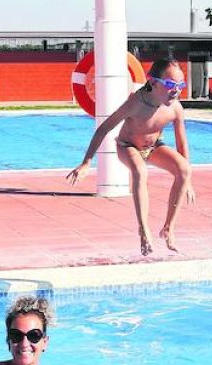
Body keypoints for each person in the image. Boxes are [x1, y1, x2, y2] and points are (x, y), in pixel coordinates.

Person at [66, 58, 195, 256]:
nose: (176, 90)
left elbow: (182, 143)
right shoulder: (135, 103)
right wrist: (86, 162)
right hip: (128, 146)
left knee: (185, 170)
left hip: (153, 147)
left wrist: (187, 181)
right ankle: (143, 230)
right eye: (170, 84)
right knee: (140, 171)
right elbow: (103, 129)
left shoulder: (175, 108)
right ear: (152, 82)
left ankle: (168, 228)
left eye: (180, 85)